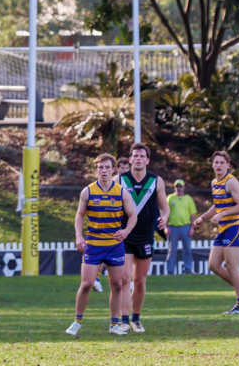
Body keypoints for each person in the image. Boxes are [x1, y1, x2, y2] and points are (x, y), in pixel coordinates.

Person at [66, 154, 137, 337]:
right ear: (96, 169)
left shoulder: (121, 192)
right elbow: (80, 215)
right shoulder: (88, 191)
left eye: (107, 167)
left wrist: (126, 231)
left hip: (115, 245)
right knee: (87, 284)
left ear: (113, 169)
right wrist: (79, 236)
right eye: (100, 167)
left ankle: (114, 325)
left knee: (117, 284)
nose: (103, 171)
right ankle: (77, 322)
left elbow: (133, 216)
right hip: (93, 245)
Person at [117, 143, 169, 333]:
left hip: (146, 237)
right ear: (130, 159)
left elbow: (164, 207)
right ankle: (124, 320)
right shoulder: (120, 180)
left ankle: (136, 319)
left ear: (147, 160)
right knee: (124, 278)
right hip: (125, 236)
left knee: (139, 281)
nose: (138, 158)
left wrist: (165, 218)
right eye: (135, 155)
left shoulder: (156, 181)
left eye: (141, 156)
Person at [193, 151, 239, 314]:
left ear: (228, 165)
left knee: (232, 267)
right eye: (216, 162)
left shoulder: (231, 182)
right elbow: (218, 205)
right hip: (223, 229)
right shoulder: (214, 182)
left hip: (234, 227)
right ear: (213, 165)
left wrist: (222, 214)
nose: (218, 165)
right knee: (213, 265)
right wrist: (203, 217)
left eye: (222, 162)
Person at [93, 157, 131, 294]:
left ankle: (128, 279)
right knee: (107, 252)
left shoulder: (131, 182)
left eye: (127, 168)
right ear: (117, 169)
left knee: (127, 253)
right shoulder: (115, 182)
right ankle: (96, 278)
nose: (124, 171)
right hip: (113, 223)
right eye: (122, 168)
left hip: (127, 222)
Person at [166, 179, 198, 275]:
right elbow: (165, 213)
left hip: (185, 226)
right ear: (174, 187)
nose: (179, 188)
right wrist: (166, 227)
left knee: (187, 249)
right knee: (172, 250)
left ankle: (188, 269)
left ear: (184, 187)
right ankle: (170, 271)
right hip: (172, 227)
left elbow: (193, 214)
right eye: (177, 186)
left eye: (180, 186)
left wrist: (192, 227)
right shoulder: (170, 198)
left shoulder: (188, 199)